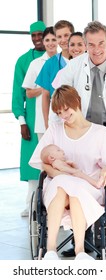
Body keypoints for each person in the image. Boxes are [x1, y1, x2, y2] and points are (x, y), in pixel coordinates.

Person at [51, 20, 106, 256]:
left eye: (101, 43)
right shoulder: (75, 66)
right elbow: (57, 94)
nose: (97, 49)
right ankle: (82, 240)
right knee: (81, 187)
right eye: (91, 44)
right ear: (85, 46)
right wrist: (58, 132)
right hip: (81, 135)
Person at [29, 85, 106, 260]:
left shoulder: (99, 133)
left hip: (88, 186)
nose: (64, 116)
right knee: (61, 186)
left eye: (66, 109)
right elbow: (40, 161)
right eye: (59, 113)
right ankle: (50, 251)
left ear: (77, 102)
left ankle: (80, 251)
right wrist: (61, 175)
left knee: (75, 191)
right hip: (57, 186)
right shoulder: (55, 130)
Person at [12, 20, 46, 217]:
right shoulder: (23, 61)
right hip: (32, 118)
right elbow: (18, 94)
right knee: (31, 162)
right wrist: (22, 122)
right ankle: (31, 203)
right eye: (33, 35)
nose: (36, 39)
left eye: (40, 34)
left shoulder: (56, 59)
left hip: (53, 115)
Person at [35, 20, 75, 129]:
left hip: (82, 117)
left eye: (66, 35)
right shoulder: (50, 64)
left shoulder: (82, 60)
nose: (63, 40)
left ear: (73, 35)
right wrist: (47, 124)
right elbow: (46, 96)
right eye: (59, 37)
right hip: (58, 118)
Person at [22, 27, 58, 141]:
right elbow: (28, 93)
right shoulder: (35, 64)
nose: (50, 43)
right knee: (45, 156)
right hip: (43, 123)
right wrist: (45, 88)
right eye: (47, 40)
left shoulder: (66, 61)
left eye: (54, 39)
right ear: (43, 42)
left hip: (64, 119)